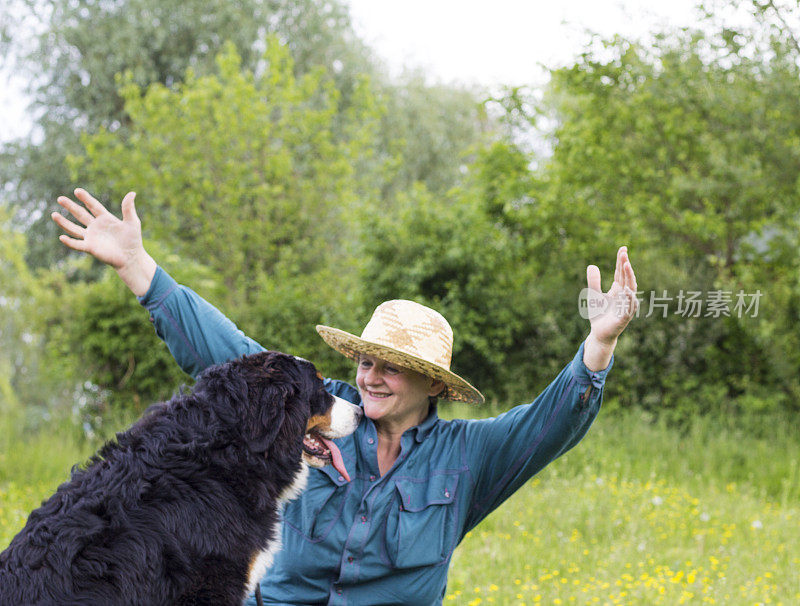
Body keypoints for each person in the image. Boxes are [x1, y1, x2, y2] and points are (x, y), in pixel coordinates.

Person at [52, 188, 639, 605]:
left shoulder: (470, 456)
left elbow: (550, 423)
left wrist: (599, 342)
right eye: (365, 360)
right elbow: (224, 351)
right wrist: (137, 266)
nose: (370, 377)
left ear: (434, 383)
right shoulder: (311, 409)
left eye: (394, 368)